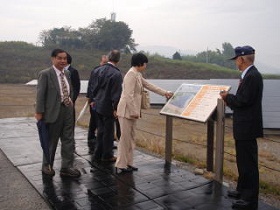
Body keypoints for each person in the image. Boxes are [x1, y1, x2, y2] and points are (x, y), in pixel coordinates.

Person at [220, 46, 263, 210]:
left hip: (248, 127)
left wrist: (227, 97)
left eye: (236, 59)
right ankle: (242, 191)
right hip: (244, 126)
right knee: (242, 161)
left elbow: (243, 100)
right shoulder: (249, 75)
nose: (236, 62)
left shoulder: (252, 76)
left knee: (249, 164)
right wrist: (230, 98)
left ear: (242, 59)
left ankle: (250, 200)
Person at [115, 53, 173, 173]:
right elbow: (128, 95)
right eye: (145, 63)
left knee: (131, 138)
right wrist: (133, 111)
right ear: (140, 63)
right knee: (125, 139)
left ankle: (128, 163)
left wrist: (164, 92)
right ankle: (121, 165)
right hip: (126, 111)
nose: (146, 65)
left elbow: (149, 85)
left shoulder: (137, 74)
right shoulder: (131, 74)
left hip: (132, 111)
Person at [35, 48, 81, 178]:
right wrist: (39, 112)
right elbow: (40, 95)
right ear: (53, 59)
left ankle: (67, 167)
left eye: (64, 58)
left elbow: (70, 89)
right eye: (59, 58)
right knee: (51, 141)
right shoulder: (45, 74)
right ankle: (47, 165)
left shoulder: (67, 73)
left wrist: (70, 100)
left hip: (67, 110)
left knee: (68, 139)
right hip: (53, 112)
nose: (62, 61)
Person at [89, 50, 123, 162]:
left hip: (98, 104)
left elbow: (94, 87)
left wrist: (93, 99)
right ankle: (107, 155)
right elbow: (116, 93)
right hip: (108, 106)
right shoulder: (117, 74)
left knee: (101, 130)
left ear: (108, 58)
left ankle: (98, 152)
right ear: (118, 60)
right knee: (108, 132)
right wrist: (115, 108)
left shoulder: (98, 70)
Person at [86, 55, 108, 154]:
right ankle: (95, 140)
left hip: (99, 100)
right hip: (95, 100)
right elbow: (91, 86)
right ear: (100, 62)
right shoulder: (96, 71)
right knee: (96, 120)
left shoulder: (104, 71)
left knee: (95, 120)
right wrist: (91, 99)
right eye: (104, 63)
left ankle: (93, 138)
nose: (104, 65)